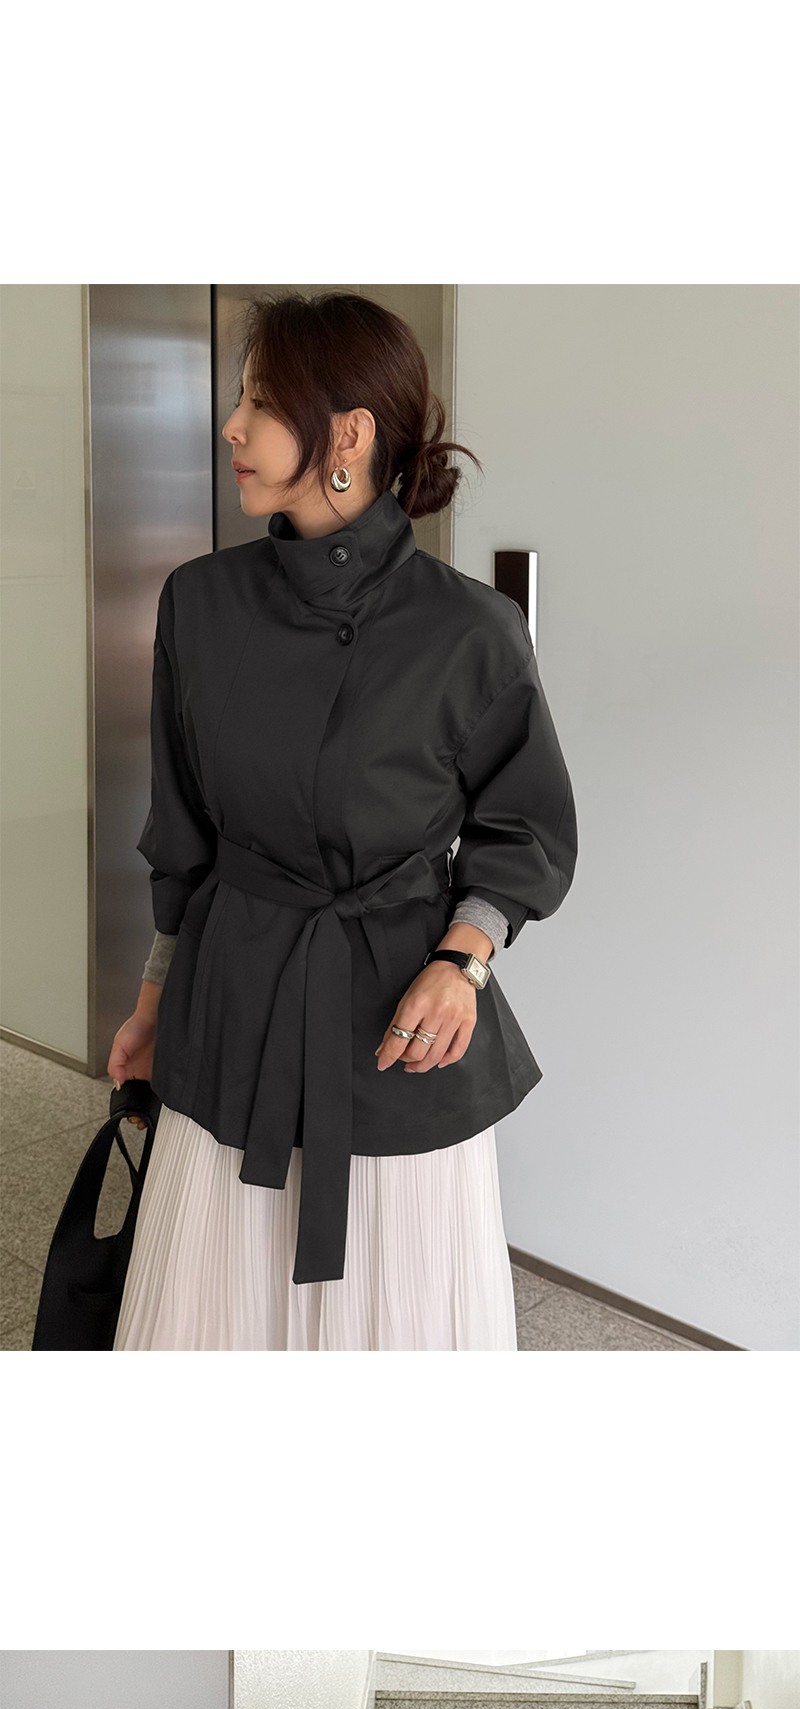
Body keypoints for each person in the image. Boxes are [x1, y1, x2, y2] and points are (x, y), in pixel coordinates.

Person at [107, 291, 576, 1359]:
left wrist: (463, 962)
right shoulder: (198, 603)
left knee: (392, 1309)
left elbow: (526, 827)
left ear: (348, 435)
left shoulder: (471, 630)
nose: (230, 425)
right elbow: (179, 829)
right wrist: (153, 997)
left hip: (394, 1014)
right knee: (213, 1300)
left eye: (259, 402)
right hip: (230, 984)